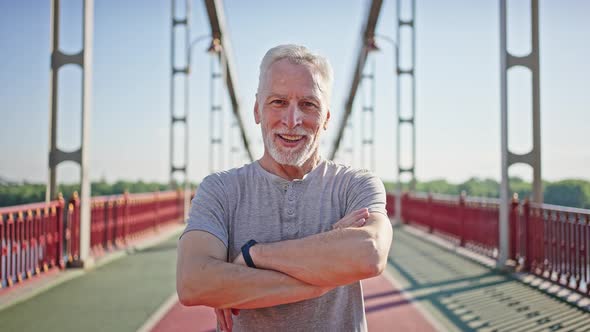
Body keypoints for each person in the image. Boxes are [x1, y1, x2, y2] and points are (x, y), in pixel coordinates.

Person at [176, 44, 393, 332]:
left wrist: (253, 257)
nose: (292, 121)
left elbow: (370, 251)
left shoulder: (355, 185)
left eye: (309, 104)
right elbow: (193, 282)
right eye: (278, 102)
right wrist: (326, 275)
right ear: (257, 110)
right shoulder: (220, 190)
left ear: (327, 117)